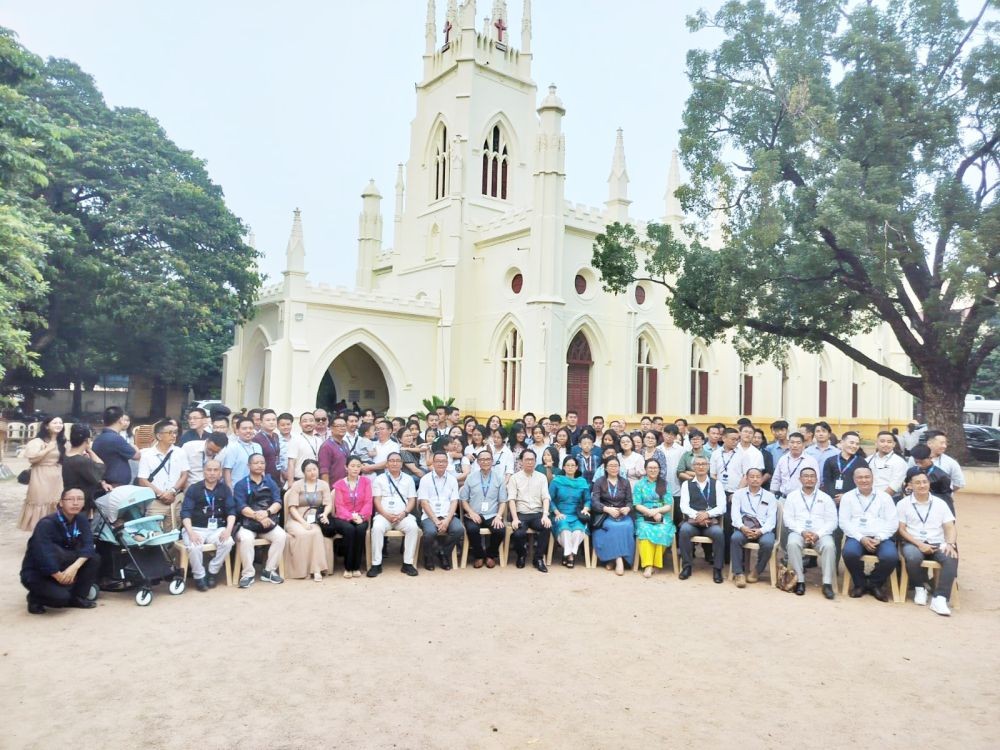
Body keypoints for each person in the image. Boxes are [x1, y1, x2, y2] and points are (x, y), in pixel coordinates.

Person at [20, 488, 100, 614]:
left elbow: (89, 545)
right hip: (39, 571)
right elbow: (43, 555)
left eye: (79, 499)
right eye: (70, 499)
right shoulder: (46, 524)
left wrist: (74, 568)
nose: (75, 503)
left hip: (64, 564)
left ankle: (77, 597)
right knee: (60, 599)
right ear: (61, 503)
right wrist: (58, 576)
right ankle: (35, 598)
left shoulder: (81, 519)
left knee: (94, 558)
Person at [897, 470, 958, 616]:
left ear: (929, 483)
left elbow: (950, 527)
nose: (922, 485)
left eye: (925, 482)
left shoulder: (940, 504)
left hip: (938, 542)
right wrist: (919, 544)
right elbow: (902, 530)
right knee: (912, 556)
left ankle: (940, 598)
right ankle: (919, 587)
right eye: (917, 482)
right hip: (913, 542)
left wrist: (950, 543)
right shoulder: (903, 504)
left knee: (951, 558)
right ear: (910, 485)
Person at [840, 466, 898, 601]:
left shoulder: (885, 497)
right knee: (849, 553)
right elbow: (844, 522)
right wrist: (861, 538)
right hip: (857, 536)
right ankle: (859, 584)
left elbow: (892, 522)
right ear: (854, 480)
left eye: (867, 477)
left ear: (873, 478)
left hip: (881, 538)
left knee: (890, 557)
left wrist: (879, 538)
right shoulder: (848, 497)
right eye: (860, 477)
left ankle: (874, 584)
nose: (864, 480)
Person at [179, 458, 236, 591]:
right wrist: (191, 533)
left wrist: (228, 530)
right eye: (209, 470)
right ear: (204, 472)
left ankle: (212, 571)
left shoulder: (225, 489)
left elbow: (231, 511)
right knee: (194, 546)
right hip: (195, 528)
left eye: (215, 470)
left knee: (228, 541)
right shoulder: (194, 489)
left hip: (216, 529)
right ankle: (199, 576)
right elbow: (185, 513)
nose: (212, 473)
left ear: (220, 472)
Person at [781, 467, 837, 599]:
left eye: (812, 476)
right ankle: (799, 580)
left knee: (829, 546)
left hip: (821, 534)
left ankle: (827, 583)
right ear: (800, 479)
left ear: (817, 479)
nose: (809, 479)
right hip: (799, 532)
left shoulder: (826, 498)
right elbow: (788, 519)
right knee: (792, 543)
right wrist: (802, 532)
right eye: (806, 476)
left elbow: (832, 521)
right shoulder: (792, 497)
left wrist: (818, 534)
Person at [233, 454, 286, 588]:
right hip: (248, 523)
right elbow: (241, 507)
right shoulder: (241, 484)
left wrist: (267, 513)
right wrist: (257, 516)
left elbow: (278, 502)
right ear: (249, 466)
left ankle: (269, 571)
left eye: (262, 463)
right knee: (246, 539)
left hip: (268, 521)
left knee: (281, 536)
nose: (259, 465)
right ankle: (248, 574)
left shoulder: (270, 482)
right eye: (255, 463)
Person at [367, 453, 420, 577]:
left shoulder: (408, 479)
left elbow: (412, 499)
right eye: (392, 461)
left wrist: (404, 513)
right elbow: (377, 500)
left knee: (413, 527)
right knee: (377, 528)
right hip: (384, 516)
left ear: (402, 464)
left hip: (403, 516)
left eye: (397, 461)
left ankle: (408, 564)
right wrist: (386, 515)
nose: (395, 463)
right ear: (387, 464)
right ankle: (376, 564)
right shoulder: (379, 479)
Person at [281, 458, 333, 581]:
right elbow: (292, 507)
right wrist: (302, 522)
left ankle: (316, 570)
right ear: (304, 472)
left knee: (315, 532)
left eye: (314, 469)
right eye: (309, 470)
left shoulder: (323, 485)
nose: (312, 472)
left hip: (314, 519)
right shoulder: (297, 485)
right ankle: (302, 570)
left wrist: (325, 514)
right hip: (296, 519)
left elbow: (328, 504)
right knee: (304, 533)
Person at [678, 456, 726, 582]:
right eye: (698, 464)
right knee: (684, 531)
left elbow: (722, 507)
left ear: (708, 466)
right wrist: (698, 516)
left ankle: (717, 569)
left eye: (704, 464)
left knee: (719, 533)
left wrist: (707, 514)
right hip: (693, 522)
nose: (701, 466)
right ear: (693, 467)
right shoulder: (686, 484)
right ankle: (686, 566)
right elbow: (684, 506)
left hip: (710, 523)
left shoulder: (717, 484)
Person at [136, 419, 189, 532]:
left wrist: (173, 491)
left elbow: (184, 474)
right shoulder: (147, 455)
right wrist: (161, 494)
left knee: (173, 533)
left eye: (175, 432)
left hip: (175, 499)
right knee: (153, 533)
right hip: (155, 501)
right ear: (159, 436)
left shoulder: (180, 452)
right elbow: (142, 480)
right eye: (170, 433)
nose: (174, 435)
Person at [459, 450, 509, 568]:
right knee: (471, 529)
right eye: (482, 459)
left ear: (492, 461)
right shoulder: (471, 477)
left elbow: (502, 501)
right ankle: (479, 556)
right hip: (474, 514)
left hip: (492, 514)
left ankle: (491, 555)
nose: (485, 462)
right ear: (478, 462)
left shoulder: (499, 478)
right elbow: (463, 500)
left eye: (488, 459)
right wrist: (471, 513)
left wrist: (498, 516)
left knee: (500, 530)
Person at [729, 468, 778, 588]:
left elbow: (772, 520)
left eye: (758, 477)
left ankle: (757, 570)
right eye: (752, 476)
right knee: (735, 538)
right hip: (744, 527)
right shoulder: (738, 494)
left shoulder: (770, 496)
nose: (755, 479)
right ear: (746, 478)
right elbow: (735, 515)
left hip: (763, 529)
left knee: (767, 543)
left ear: (762, 479)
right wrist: (742, 527)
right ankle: (739, 573)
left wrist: (761, 531)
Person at [18, 415, 66, 532]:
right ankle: (38, 535)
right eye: (55, 423)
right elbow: (33, 458)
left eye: (60, 423)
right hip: (40, 476)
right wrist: (48, 448)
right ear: (46, 425)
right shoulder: (37, 442)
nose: (58, 425)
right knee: (40, 503)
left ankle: (53, 536)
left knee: (56, 504)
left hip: (57, 477)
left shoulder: (62, 442)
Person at [327, 456, 373, 578]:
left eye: (358, 466)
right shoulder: (339, 484)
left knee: (360, 529)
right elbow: (339, 506)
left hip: (361, 516)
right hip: (343, 518)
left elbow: (368, 502)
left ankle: (356, 566)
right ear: (346, 467)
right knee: (349, 529)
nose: (355, 469)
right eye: (352, 466)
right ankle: (348, 567)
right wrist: (351, 517)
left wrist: (362, 516)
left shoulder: (366, 482)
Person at [508, 449, 553, 572]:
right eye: (527, 459)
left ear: (535, 461)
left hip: (537, 513)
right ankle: (521, 555)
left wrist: (545, 515)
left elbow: (545, 497)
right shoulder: (514, 478)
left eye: (532, 459)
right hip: (520, 514)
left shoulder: (541, 477)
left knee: (546, 526)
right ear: (521, 461)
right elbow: (511, 499)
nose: (529, 462)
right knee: (518, 533)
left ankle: (538, 558)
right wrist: (515, 518)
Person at [417, 452, 463, 570]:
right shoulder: (425, 479)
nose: (441, 463)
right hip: (430, 516)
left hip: (448, 515)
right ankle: (428, 557)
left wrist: (447, 520)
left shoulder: (452, 479)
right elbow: (424, 502)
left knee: (458, 529)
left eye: (443, 461)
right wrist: (436, 520)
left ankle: (443, 553)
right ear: (433, 463)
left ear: (447, 463)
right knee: (430, 532)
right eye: (438, 461)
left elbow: (454, 501)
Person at [591, 456, 634, 575]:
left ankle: (612, 560)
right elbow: (594, 502)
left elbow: (630, 501)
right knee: (614, 527)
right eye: (611, 466)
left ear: (619, 467)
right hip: (605, 515)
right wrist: (607, 509)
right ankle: (619, 560)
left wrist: (627, 508)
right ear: (605, 468)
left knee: (628, 526)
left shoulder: (625, 482)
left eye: (616, 465)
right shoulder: (600, 481)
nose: (614, 468)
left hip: (622, 515)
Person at [633, 458, 675, 578]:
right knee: (645, 530)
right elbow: (637, 504)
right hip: (643, 515)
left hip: (662, 515)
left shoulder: (664, 484)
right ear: (645, 469)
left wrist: (657, 511)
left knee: (662, 530)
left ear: (659, 469)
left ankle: (657, 563)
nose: (653, 470)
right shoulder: (639, 484)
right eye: (650, 468)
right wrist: (650, 512)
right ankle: (648, 565)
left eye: (655, 468)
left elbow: (668, 505)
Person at [548, 455, 591, 568]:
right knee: (565, 530)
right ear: (563, 467)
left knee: (577, 531)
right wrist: (556, 512)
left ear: (577, 467)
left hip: (576, 514)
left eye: (573, 465)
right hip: (560, 513)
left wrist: (586, 508)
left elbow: (587, 500)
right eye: (568, 465)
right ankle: (571, 556)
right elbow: (549, 499)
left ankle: (567, 554)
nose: (570, 467)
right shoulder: (557, 481)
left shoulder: (582, 482)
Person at [61, 424, 109, 511]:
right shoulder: (81, 461)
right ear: (87, 440)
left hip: (68, 498)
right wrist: (89, 450)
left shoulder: (65, 457)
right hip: (80, 501)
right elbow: (100, 466)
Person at [92, 406, 141, 488]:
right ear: (120, 420)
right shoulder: (116, 439)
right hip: (115, 486)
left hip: (105, 483)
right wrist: (134, 446)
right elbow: (136, 456)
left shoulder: (99, 438)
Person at [905, 444, 955, 514]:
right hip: (914, 508)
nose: (919, 465)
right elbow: (906, 487)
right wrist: (907, 490)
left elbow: (946, 498)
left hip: (933, 510)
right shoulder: (911, 471)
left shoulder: (942, 476)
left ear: (930, 457)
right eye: (916, 462)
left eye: (922, 462)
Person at [923, 430, 965, 506]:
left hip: (943, 502)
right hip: (921, 501)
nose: (944, 446)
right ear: (929, 443)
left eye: (945, 443)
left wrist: (943, 492)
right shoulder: (916, 460)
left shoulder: (951, 463)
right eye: (941, 443)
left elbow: (958, 483)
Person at [771, 432, 819, 498]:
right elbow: (776, 479)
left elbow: (817, 480)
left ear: (803, 445)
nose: (795, 445)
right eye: (792, 442)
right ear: (788, 444)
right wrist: (772, 494)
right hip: (784, 497)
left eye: (798, 443)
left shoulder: (810, 460)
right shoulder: (783, 459)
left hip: (803, 497)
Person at [223, 417, 263, 487]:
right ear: (237, 431)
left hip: (256, 488)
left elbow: (262, 468)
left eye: (250, 428)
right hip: (238, 489)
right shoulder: (232, 447)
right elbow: (227, 471)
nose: (248, 431)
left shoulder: (257, 446)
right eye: (244, 428)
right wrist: (230, 490)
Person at [868, 430, 908, 497]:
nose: (886, 444)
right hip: (869, 497)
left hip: (891, 498)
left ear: (894, 444)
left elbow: (895, 484)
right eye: (882, 441)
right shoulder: (868, 460)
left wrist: (881, 499)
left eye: (889, 442)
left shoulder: (899, 462)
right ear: (876, 443)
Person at [318, 415, 350, 485]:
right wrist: (326, 491)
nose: (342, 428)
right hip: (333, 487)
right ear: (331, 428)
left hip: (346, 485)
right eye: (339, 426)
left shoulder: (345, 444)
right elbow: (324, 470)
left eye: (344, 426)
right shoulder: (326, 446)